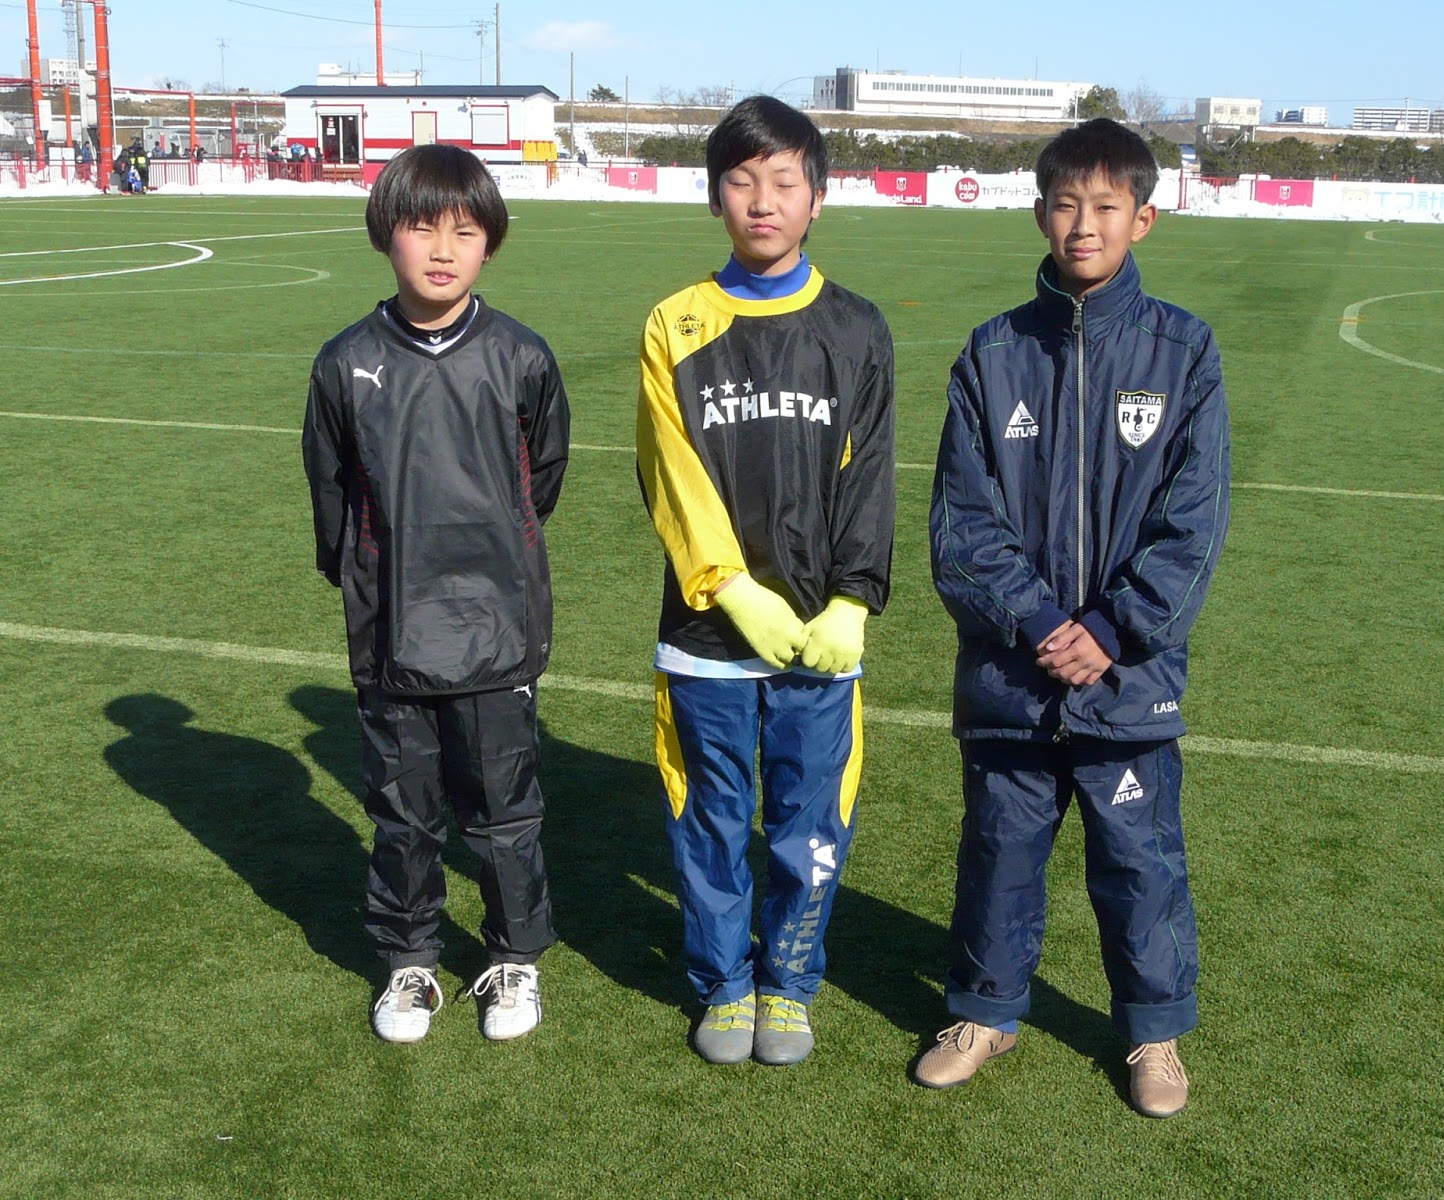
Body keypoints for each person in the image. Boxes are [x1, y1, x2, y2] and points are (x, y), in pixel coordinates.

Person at [915, 118, 1230, 1117]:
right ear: (1039, 211)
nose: (1082, 225)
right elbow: (960, 523)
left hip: (1126, 681)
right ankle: (983, 1010)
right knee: (998, 851)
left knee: (1139, 866)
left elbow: (1194, 519)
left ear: (1144, 217)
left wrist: (1114, 630)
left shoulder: (1183, 351)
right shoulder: (993, 352)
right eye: (1065, 203)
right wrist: (1045, 621)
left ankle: (1151, 1035)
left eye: (1105, 207)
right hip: (1014, 674)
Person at [635, 95, 895, 1067]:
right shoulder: (676, 323)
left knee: (805, 825)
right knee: (708, 823)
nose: (761, 200)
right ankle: (722, 985)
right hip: (704, 639)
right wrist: (729, 587)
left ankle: (786, 982)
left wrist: (850, 598)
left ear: (816, 198)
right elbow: (668, 470)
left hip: (818, 643)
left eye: (783, 180)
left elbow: (869, 474)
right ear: (714, 196)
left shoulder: (858, 329)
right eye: (741, 180)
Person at [302, 144, 571, 1044]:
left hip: (499, 623)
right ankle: (410, 963)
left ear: (490, 241)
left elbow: (546, 480)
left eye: (465, 229)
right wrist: (371, 579)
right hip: (393, 630)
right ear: (387, 233)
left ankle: (514, 961)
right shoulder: (346, 362)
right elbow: (331, 493)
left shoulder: (522, 356)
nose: (443, 248)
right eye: (423, 226)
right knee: (402, 812)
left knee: (504, 811)